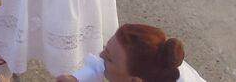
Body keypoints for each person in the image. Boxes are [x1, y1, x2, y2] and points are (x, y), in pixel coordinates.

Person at [57, 24, 207, 82]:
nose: (101, 55)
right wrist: (77, 79)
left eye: (109, 58)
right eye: (106, 48)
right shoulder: (157, 60)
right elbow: (101, 65)